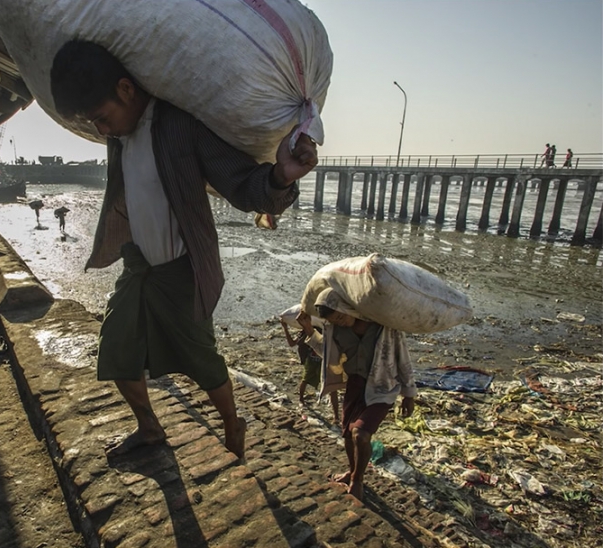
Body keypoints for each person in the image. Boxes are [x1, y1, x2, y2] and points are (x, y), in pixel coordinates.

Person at [49, 40, 317, 459]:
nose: (101, 130)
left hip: (182, 268)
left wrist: (281, 177)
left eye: (102, 118)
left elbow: (241, 185)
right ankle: (150, 427)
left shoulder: (179, 126)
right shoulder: (118, 137)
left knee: (201, 361)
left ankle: (233, 424)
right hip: (139, 267)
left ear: (125, 89)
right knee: (116, 349)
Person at [296, 287, 417, 501]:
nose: (341, 322)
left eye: (342, 316)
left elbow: (402, 357)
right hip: (355, 385)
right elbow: (327, 352)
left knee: (361, 435)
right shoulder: (336, 329)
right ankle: (351, 472)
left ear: (348, 307)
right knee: (348, 436)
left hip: (382, 387)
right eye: (336, 320)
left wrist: (409, 393)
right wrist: (308, 330)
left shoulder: (384, 327)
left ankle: (358, 480)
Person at [280, 318, 341, 421]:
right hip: (313, 360)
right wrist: (285, 328)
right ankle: (301, 400)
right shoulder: (307, 331)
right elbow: (292, 343)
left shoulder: (328, 330)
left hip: (325, 361)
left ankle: (336, 416)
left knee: (332, 387)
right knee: (306, 380)